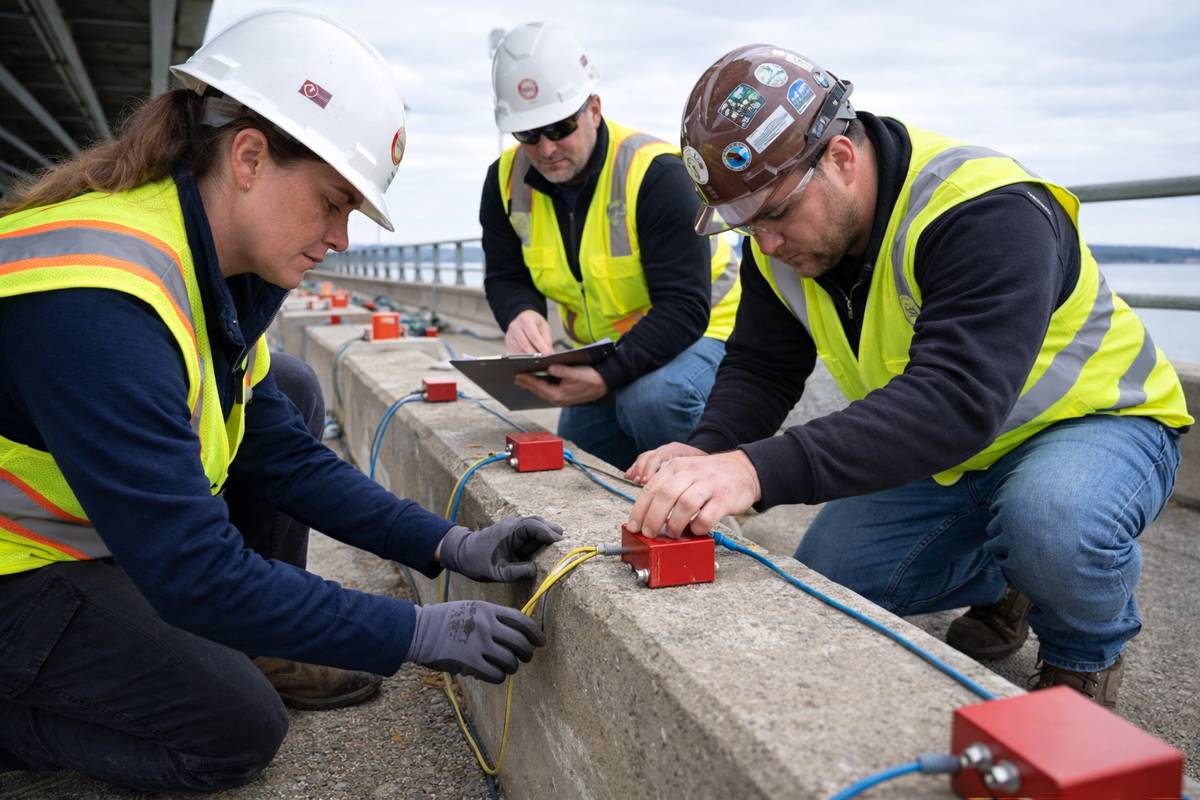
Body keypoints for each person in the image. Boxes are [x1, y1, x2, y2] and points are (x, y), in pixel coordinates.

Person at [0, 10, 561, 793]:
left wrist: (445, 545)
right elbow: (193, 569)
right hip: (15, 571)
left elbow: (284, 458)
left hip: (88, 541)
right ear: (251, 157)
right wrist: (408, 629)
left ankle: (257, 638)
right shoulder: (98, 306)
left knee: (288, 392)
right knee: (231, 728)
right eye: (333, 202)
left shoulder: (212, 274)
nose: (341, 238)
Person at [624, 44, 1192, 708]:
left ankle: (1082, 655)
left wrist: (751, 472)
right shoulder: (776, 242)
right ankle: (1010, 578)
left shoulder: (984, 207)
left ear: (839, 157)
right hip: (953, 457)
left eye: (775, 214)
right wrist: (709, 447)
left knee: (1052, 519)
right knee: (829, 584)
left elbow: (955, 399)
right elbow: (762, 363)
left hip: (1093, 424)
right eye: (745, 227)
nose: (767, 244)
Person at [479, 21, 743, 470]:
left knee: (652, 401)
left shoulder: (657, 175)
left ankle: (712, 504)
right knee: (583, 463)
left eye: (559, 127)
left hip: (707, 335)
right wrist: (520, 312)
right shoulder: (504, 181)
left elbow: (684, 307)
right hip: (608, 348)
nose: (545, 149)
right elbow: (506, 274)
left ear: (594, 109)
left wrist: (605, 378)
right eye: (527, 135)